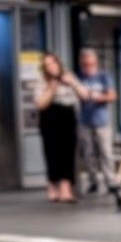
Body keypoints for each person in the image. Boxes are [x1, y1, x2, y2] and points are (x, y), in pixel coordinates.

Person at [35, 54, 83, 201]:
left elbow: (84, 95)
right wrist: (51, 88)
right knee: (52, 152)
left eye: (53, 63)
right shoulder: (41, 81)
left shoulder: (69, 76)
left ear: (59, 63)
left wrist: (73, 83)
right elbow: (40, 104)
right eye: (47, 65)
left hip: (68, 116)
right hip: (50, 117)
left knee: (68, 152)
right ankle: (52, 185)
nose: (51, 67)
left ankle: (66, 188)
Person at [76, 46, 118, 195]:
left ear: (95, 61)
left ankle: (110, 181)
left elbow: (113, 96)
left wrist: (99, 97)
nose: (87, 65)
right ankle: (93, 181)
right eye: (85, 62)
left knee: (106, 152)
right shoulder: (79, 77)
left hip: (102, 121)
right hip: (85, 120)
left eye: (90, 61)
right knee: (88, 153)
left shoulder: (103, 76)